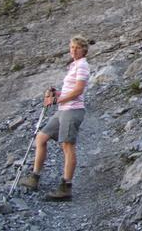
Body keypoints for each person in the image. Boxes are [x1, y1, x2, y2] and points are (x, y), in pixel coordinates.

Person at [19, 35, 91, 200]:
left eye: (77, 48)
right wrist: (57, 93)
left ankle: (66, 187)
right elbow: (69, 90)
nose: (73, 50)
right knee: (41, 138)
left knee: (67, 146)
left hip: (72, 111)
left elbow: (78, 91)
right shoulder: (74, 65)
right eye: (72, 47)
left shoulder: (82, 66)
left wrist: (56, 99)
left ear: (84, 50)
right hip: (64, 110)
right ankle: (34, 177)